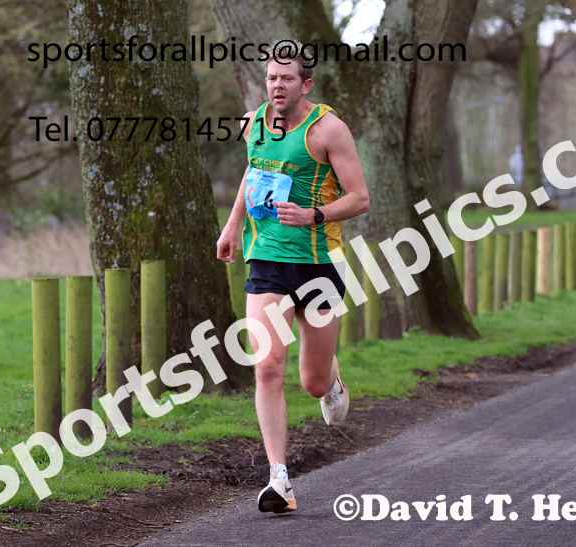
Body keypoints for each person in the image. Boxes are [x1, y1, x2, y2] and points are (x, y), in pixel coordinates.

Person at [216, 40, 370, 514]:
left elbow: (360, 198)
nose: (276, 86)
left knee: (313, 382)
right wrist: (234, 224)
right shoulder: (252, 123)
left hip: (320, 263)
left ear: (305, 84)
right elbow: (253, 172)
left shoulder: (329, 130)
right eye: (270, 78)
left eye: (286, 79)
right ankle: (279, 479)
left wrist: (314, 214)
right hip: (266, 260)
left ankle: (333, 380)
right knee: (266, 365)